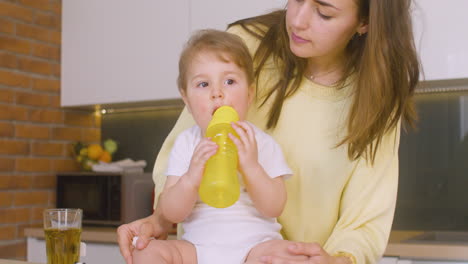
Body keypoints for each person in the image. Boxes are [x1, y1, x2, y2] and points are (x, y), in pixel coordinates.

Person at [118, 0, 420, 263]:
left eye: (324, 13)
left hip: (271, 252)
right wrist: (158, 220)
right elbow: (172, 172)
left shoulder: (376, 100)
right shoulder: (239, 49)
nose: (297, 20)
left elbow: (364, 223)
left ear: (364, 21)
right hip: (198, 246)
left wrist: (334, 261)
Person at [131, 29, 298, 264]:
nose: (217, 93)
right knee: (146, 253)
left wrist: (251, 166)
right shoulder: (187, 143)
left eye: (230, 81)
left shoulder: (260, 142)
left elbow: (274, 207)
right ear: (187, 100)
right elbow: (171, 212)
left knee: (290, 256)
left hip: (256, 248)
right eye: (203, 84)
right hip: (197, 250)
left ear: (249, 94)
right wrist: (190, 178)